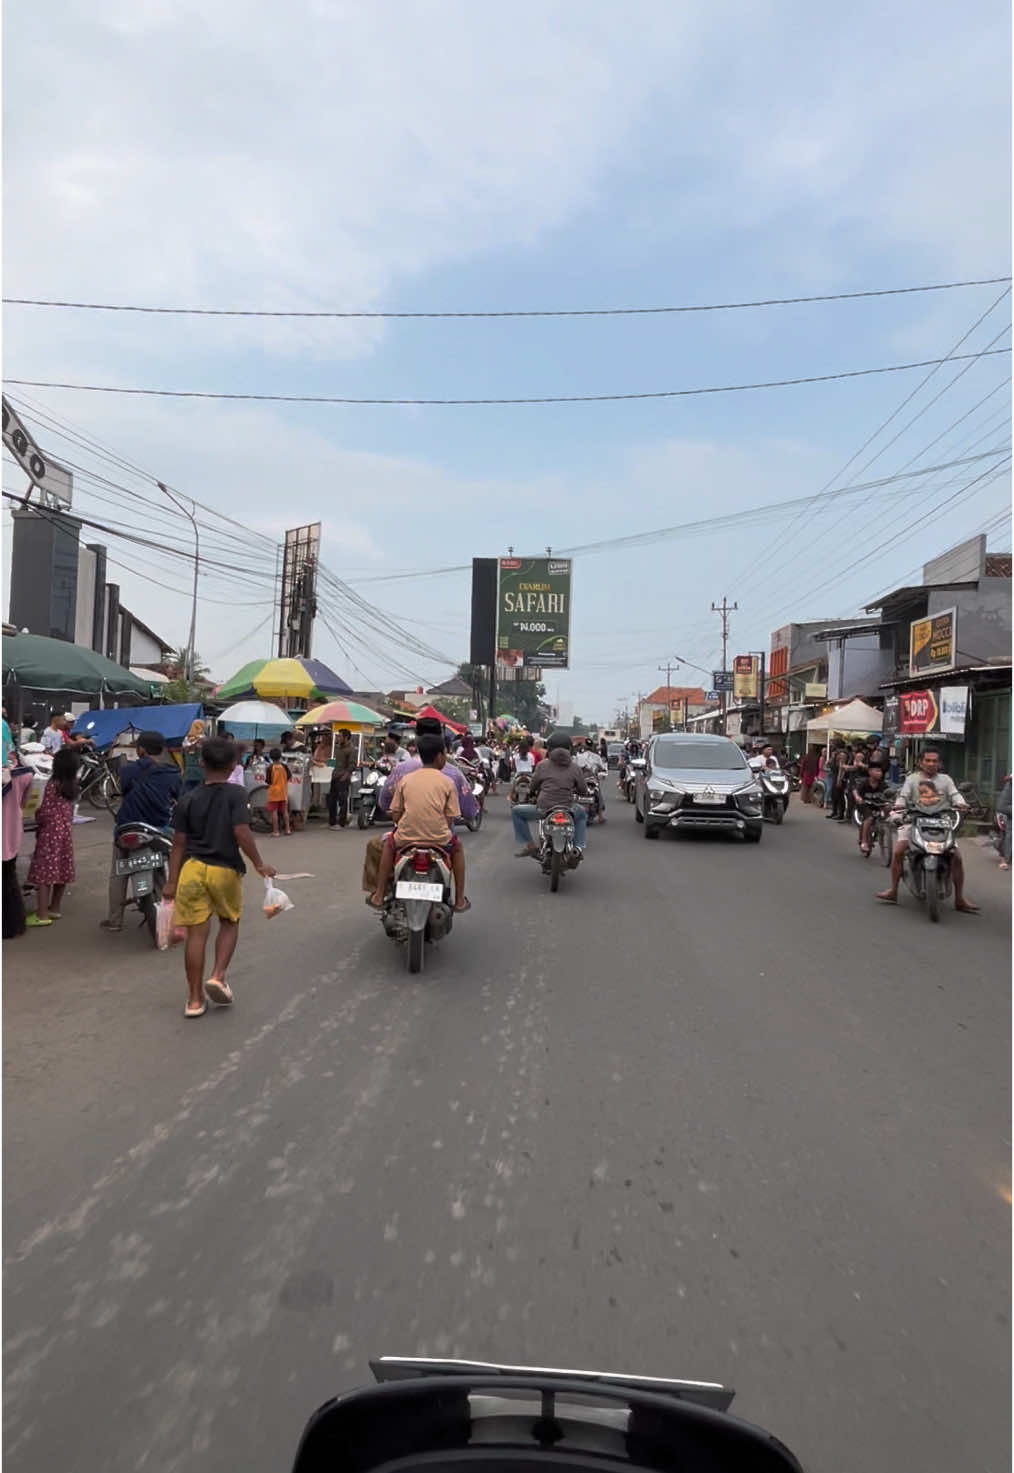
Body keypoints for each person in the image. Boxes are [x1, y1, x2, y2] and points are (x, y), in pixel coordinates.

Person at [162, 736, 276, 1019]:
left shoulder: (188, 799)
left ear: (201, 763)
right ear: (234, 765)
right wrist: (260, 864)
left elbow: (177, 843)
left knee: (196, 935)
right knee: (229, 922)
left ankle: (194, 1000)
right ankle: (218, 975)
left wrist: (171, 881)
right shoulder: (236, 795)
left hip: (192, 870)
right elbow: (241, 832)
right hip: (224, 870)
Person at [367, 733, 470, 913]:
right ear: (440, 756)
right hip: (439, 839)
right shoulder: (447, 782)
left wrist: (404, 823)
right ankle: (460, 899)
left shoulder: (406, 779)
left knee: (389, 846)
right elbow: (450, 817)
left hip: (406, 837)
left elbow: (396, 812)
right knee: (458, 848)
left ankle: (379, 894)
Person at [877, 748, 978, 912]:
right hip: (914, 819)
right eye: (928, 760)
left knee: (956, 857)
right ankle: (893, 891)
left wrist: (961, 803)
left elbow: (955, 794)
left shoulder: (946, 779)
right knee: (898, 851)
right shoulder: (912, 779)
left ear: (940, 764)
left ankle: (959, 899)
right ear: (920, 762)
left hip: (941, 821)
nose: (931, 764)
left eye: (934, 761)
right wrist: (898, 807)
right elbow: (903, 796)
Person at [101, 730, 182, 932]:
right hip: (158, 828)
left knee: (118, 873)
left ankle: (114, 920)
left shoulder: (128, 770)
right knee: (170, 861)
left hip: (127, 827)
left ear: (141, 750)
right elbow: (180, 799)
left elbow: (124, 791)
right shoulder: (172, 773)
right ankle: (170, 908)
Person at [378, 719, 479, 824]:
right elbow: (469, 811)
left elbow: (384, 803)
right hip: (441, 837)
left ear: (416, 741)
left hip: (405, 834)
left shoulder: (401, 772)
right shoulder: (452, 776)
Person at [26, 746, 80, 927]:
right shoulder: (73, 786)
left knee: (44, 873)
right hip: (65, 833)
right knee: (61, 869)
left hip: (49, 834)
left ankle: (41, 914)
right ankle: (54, 908)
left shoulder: (52, 785)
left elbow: (45, 812)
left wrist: (36, 817)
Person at [512, 733, 589, 856]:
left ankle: (530, 845)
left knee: (516, 811)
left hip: (544, 808)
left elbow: (532, 786)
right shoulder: (575, 768)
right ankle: (578, 847)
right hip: (568, 809)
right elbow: (583, 790)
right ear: (569, 749)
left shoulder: (542, 765)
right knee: (582, 814)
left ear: (550, 748)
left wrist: (533, 793)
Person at [854, 762, 891, 856]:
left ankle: (881, 826)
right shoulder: (864, 782)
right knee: (869, 818)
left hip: (877, 804)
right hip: (864, 804)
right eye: (877, 771)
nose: (880, 773)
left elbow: (889, 792)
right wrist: (858, 797)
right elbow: (855, 790)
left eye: (881, 771)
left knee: (888, 808)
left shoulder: (882, 784)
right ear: (870, 772)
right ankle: (864, 841)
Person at [328, 728, 356, 828]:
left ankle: (341, 822)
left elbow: (352, 765)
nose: (338, 738)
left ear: (346, 737)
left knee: (342, 801)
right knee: (331, 800)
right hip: (335, 776)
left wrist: (345, 776)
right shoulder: (338, 748)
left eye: (340, 736)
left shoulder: (351, 749)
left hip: (342, 778)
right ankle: (332, 821)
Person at [266, 748, 293, 836]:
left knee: (274, 812)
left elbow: (268, 781)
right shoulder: (284, 766)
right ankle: (288, 829)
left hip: (274, 793)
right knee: (285, 811)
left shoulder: (270, 768)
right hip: (283, 792)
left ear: (270, 757)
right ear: (280, 756)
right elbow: (289, 776)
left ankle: (276, 831)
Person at [181, 719, 206, 793]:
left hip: (188, 772)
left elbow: (183, 757)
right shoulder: (203, 740)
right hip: (201, 772)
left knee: (187, 793)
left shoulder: (186, 739)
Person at [996, 773, 1012, 870]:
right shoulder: (1009, 788)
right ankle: (1004, 860)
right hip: (1005, 812)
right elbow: (1002, 807)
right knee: (1008, 835)